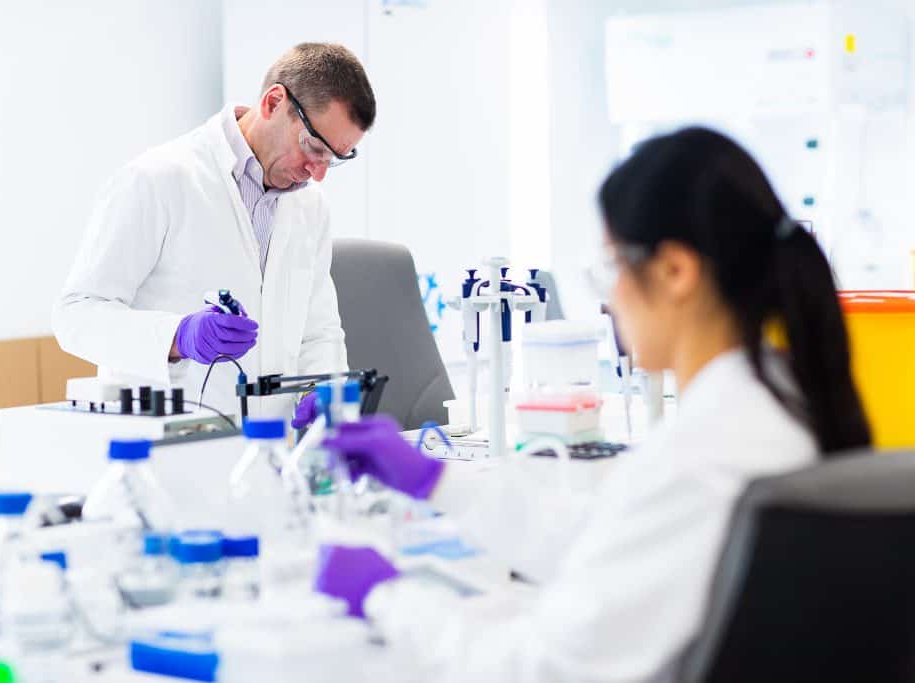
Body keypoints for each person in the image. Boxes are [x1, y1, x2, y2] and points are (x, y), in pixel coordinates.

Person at [314, 127, 872, 682]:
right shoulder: (772, 401)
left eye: (612, 269)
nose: (610, 299)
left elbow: (540, 670)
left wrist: (387, 598)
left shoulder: (706, 451)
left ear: (676, 271)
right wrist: (438, 480)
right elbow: (613, 547)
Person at [53, 43, 375, 421]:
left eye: (333, 159)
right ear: (274, 103)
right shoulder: (159, 179)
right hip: (169, 447)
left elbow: (319, 330)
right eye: (313, 147)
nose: (317, 172)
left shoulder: (310, 206)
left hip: (272, 451)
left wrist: (323, 391)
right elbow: (76, 316)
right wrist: (177, 336)